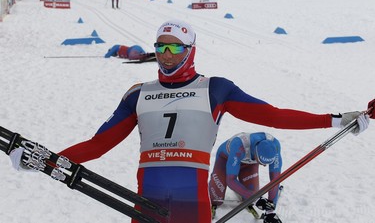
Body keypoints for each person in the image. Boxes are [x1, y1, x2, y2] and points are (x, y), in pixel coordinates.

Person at [9, 19, 374, 223]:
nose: (166, 56)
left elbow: (274, 115)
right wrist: (46, 159)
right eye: (161, 48)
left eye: (175, 48)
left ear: (191, 51)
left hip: (193, 201)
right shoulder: (139, 92)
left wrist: (334, 119)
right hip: (145, 198)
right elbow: (98, 144)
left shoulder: (215, 89)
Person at [209, 132, 282, 223]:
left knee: (250, 198)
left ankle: (243, 183)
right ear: (255, 152)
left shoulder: (275, 146)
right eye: (261, 162)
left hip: (249, 164)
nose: (263, 166)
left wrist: (270, 211)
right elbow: (230, 180)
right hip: (226, 159)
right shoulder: (239, 145)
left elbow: (276, 179)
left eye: (266, 164)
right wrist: (257, 199)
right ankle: (216, 177)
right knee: (216, 199)